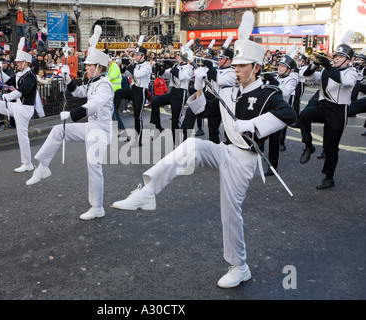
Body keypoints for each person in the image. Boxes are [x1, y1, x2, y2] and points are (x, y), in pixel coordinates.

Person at [111, 11, 296, 289]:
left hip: (243, 159)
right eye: (235, 65)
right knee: (193, 145)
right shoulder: (231, 91)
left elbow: (288, 115)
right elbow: (205, 110)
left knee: (230, 211)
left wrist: (253, 125)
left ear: (256, 67)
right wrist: (199, 87)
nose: (236, 69)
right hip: (224, 149)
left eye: (242, 65)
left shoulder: (268, 92)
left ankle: (240, 266)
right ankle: (147, 192)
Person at [26, 44, 114, 221]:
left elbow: (93, 105)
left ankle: (97, 207)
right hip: (91, 126)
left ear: (98, 67)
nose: (86, 67)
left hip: (100, 132)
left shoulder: (104, 85)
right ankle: (43, 167)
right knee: (58, 131)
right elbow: (80, 92)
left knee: (94, 167)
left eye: (89, 65)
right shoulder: (94, 81)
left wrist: (71, 114)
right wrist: (67, 80)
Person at [0, 38, 44, 173]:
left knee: (22, 136)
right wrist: (0, 70)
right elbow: (10, 81)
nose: (16, 64)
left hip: (25, 109)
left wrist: (6, 96)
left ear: (26, 63)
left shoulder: (30, 76)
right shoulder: (21, 74)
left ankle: (27, 163)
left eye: (18, 62)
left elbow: (21, 91)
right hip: (17, 106)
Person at [299, 32, 357, 189]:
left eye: (340, 56)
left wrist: (328, 65)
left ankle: (328, 177)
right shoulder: (327, 70)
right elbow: (308, 77)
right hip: (323, 107)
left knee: (332, 147)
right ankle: (308, 145)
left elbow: (345, 82)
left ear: (348, 60)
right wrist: (313, 64)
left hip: (338, 111)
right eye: (335, 55)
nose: (336, 58)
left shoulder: (351, 72)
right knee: (304, 115)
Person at [180, 44, 235, 144]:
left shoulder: (232, 72)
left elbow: (220, 81)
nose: (219, 60)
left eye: (222, 59)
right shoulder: (216, 69)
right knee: (191, 110)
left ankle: (217, 150)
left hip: (221, 102)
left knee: (213, 130)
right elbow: (202, 76)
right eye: (219, 58)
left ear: (229, 60)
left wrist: (210, 67)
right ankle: (184, 138)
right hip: (210, 98)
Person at [262, 49, 299, 175]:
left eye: (283, 66)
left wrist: (273, 81)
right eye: (279, 65)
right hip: (269, 109)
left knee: (274, 139)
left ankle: (272, 166)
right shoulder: (276, 76)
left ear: (289, 69)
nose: (279, 68)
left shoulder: (292, 78)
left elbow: (286, 92)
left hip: (281, 111)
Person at [113, 40, 153, 147]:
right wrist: (122, 67)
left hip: (141, 91)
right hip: (133, 89)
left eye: (137, 55)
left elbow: (138, 74)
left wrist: (129, 65)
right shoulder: (136, 64)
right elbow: (128, 74)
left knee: (137, 116)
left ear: (143, 56)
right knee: (119, 92)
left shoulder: (147, 66)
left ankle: (138, 139)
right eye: (135, 55)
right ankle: (114, 110)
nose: (135, 57)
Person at [150, 50, 193, 146]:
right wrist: (161, 69)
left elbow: (182, 77)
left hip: (181, 93)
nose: (178, 58)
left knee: (175, 119)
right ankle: (158, 126)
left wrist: (172, 66)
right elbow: (165, 75)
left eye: (180, 56)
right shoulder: (177, 67)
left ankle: (177, 142)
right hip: (173, 91)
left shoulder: (188, 68)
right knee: (155, 101)